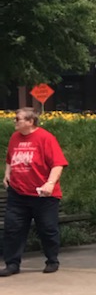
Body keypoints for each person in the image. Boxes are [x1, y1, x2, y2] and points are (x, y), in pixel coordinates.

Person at [1, 108, 68, 277]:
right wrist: (7, 174)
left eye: (18, 119)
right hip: (18, 193)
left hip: (42, 195)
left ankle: (52, 260)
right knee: (13, 229)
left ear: (30, 122)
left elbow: (58, 163)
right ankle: (12, 263)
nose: (15, 122)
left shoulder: (45, 138)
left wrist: (50, 183)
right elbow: (10, 159)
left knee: (47, 228)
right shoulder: (15, 138)